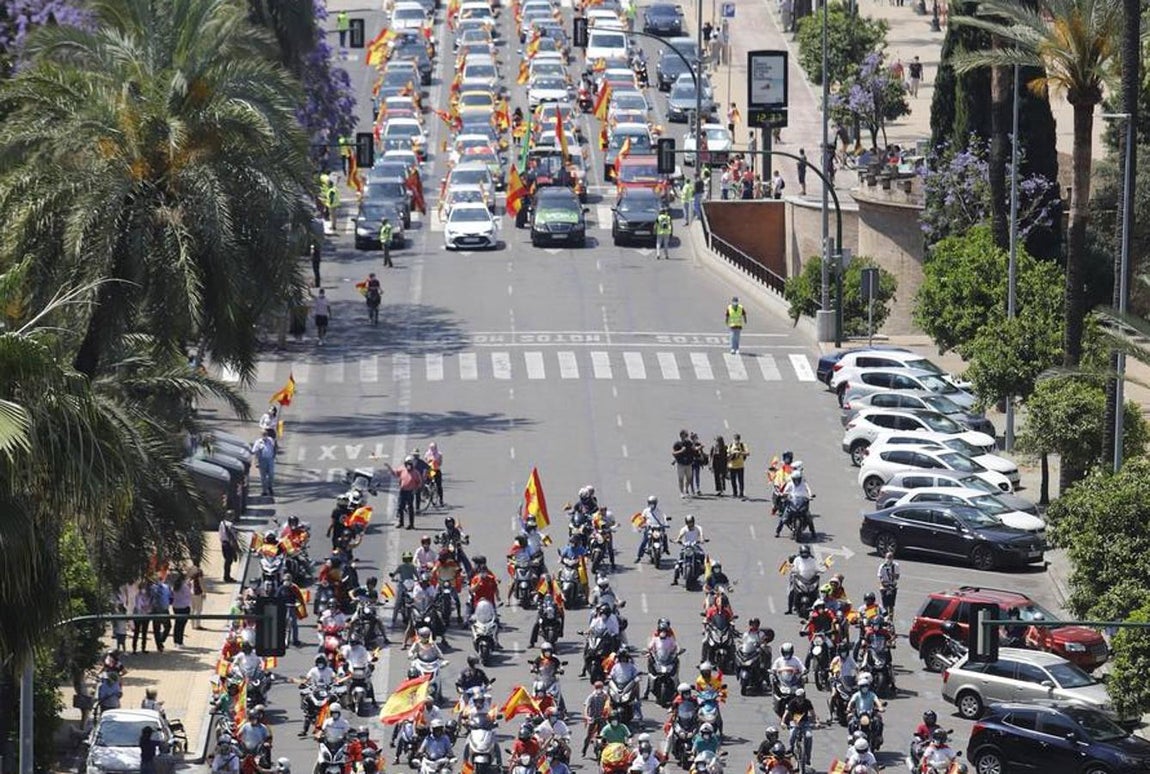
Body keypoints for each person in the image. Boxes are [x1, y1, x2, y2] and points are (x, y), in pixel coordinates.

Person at [776, 466, 812, 538]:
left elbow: (808, 490)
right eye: (795, 479)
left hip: (801, 502)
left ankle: (813, 532)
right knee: (784, 517)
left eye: (798, 479)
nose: (796, 481)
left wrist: (810, 496)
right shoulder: (790, 484)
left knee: (808, 517)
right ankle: (778, 531)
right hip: (792, 502)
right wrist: (783, 494)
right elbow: (785, 491)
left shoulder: (803, 483)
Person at [387, 456, 423, 529]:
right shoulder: (402, 469)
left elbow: (419, 483)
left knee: (410, 508)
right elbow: (395, 473)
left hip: (410, 492)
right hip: (403, 491)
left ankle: (411, 524)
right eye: (407, 464)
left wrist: (415, 490)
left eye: (410, 464)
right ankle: (401, 522)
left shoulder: (416, 473)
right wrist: (389, 468)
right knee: (400, 507)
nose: (408, 466)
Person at [786, 545, 820, 615]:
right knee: (792, 591)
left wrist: (820, 570)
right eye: (803, 553)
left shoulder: (813, 560)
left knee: (817, 593)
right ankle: (789, 609)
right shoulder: (797, 559)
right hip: (800, 579)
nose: (805, 554)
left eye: (806, 553)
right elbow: (794, 568)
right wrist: (793, 571)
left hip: (810, 580)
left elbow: (817, 568)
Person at [671, 514, 704, 586]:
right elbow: (680, 536)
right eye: (688, 522)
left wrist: (701, 540)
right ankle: (675, 579)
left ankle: (704, 571)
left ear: (693, 522)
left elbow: (701, 535)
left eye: (691, 522)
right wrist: (677, 540)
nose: (690, 524)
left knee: (702, 555)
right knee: (679, 561)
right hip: (686, 547)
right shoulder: (684, 529)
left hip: (695, 546)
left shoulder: (698, 528)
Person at [634, 495, 669, 563]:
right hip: (649, 528)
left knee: (664, 536)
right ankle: (639, 556)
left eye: (653, 503)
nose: (651, 504)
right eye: (650, 503)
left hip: (658, 528)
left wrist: (665, 524)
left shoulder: (659, 511)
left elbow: (664, 518)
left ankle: (666, 548)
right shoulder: (646, 511)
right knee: (644, 541)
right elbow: (642, 519)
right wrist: (641, 525)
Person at [582, 681, 610, 757]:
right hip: (593, 718)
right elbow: (586, 706)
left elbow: (609, 705)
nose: (599, 689)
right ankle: (584, 749)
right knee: (589, 735)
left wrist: (608, 714)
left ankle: (603, 750)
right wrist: (587, 716)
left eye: (600, 687)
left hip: (602, 718)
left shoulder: (605, 696)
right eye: (597, 687)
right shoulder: (591, 696)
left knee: (603, 735)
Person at [170, 571, 193, 646]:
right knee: (182, 625)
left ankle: (176, 641)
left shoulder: (175, 586)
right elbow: (189, 595)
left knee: (177, 624)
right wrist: (189, 587)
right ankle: (180, 641)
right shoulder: (184, 586)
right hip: (184, 607)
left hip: (176, 607)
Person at [252, 432, 277, 498]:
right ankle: (264, 491)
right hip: (262, 460)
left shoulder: (271, 440)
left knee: (271, 474)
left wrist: (274, 456)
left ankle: (270, 487)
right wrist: (256, 462)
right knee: (263, 477)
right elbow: (255, 452)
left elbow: (275, 447)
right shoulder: (258, 442)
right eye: (263, 435)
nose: (264, 436)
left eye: (265, 435)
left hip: (270, 459)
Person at [672, 430, 694, 498]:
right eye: (684, 435)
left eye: (686, 435)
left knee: (689, 478)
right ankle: (681, 492)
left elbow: (694, 449)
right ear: (681, 435)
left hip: (689, 464)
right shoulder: (677, 444)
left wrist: (700, 447)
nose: (686, 436)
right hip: (681, 464)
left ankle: (686, 489)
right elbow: (673, 453)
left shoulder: (689, 443)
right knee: (681, 478)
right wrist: (681, 451)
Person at [726, 434, 749, 498]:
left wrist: (740, 452)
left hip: (740, 466)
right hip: (732, 466)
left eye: (737, 440)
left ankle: (741, 493)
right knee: (733, 481)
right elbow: (727, 454)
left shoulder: (743, 445)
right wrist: (732, 453)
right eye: (735, 440)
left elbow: (747, 453)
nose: (736, 441)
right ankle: (734, 493)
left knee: (741, 481)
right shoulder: (730, 445)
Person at [219, 514, 239, 583]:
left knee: (227, 561)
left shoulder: (222, 523)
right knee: (229, 561)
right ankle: (227, 577)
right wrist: (236, 548)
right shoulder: (230, 525)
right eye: (232, 515)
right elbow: (233, 537)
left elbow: (220, 534)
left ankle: (226, 576)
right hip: (229, 545)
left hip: (223, 544)